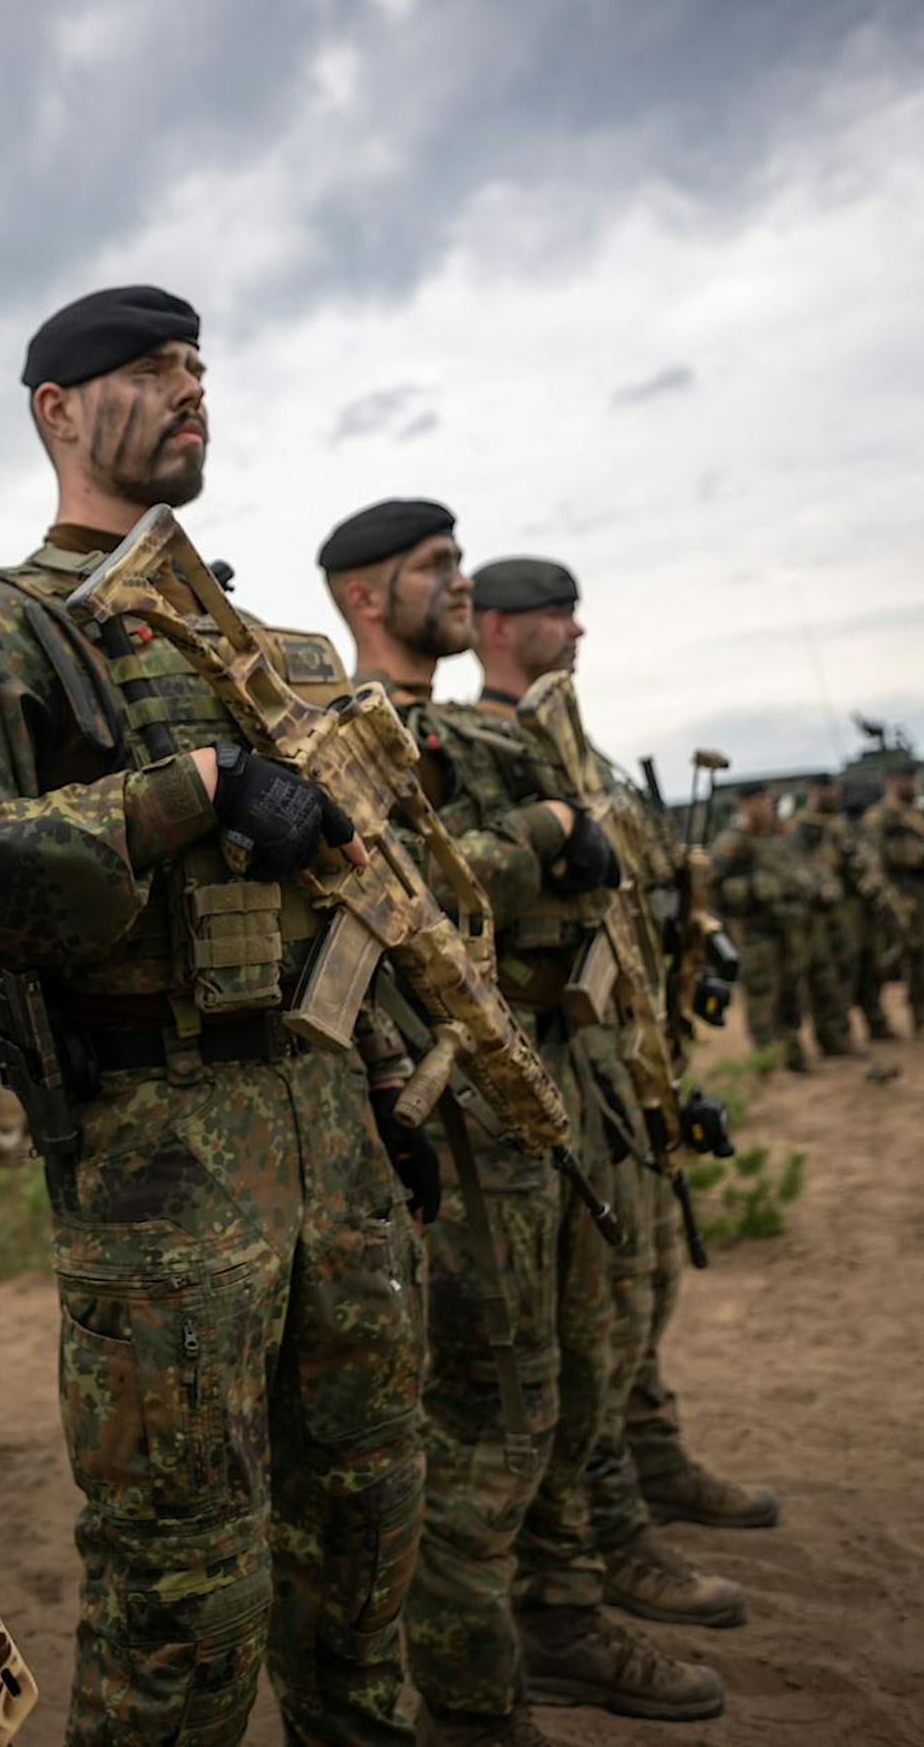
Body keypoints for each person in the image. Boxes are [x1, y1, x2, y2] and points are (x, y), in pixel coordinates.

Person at [0, 286, 427, 1745]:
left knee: (367, 1525)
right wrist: (180, 795)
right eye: (149, 368)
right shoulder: (6, 628)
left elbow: (359, 905)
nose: (191, 387)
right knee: (182, 1584)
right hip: (163, 1159)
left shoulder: (257, 649)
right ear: (55, 411)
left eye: (199, 365)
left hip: (334, 1129)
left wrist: (397, 1094)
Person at [325, 513, 721, 1742]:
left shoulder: (473, 730)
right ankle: (468, 1687)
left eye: (458, 563)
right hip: (456, 1102)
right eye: (436, 566)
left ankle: (556, 1610)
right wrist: (543, 836)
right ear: (363, 592)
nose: (458, 581)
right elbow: (398, 883)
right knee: (489, 1403)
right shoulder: (356, 732)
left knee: (564, 1374)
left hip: (549, 1074)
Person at [467, 558, 771, 1631]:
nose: (577, 628)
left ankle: (645, 1462)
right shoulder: (485, 749)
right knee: (586, 1315)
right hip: (552, 1055)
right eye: (556, 613)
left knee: (641, 1282)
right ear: (500, 626)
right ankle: (598, 1532)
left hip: (623, 1048)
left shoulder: (579, 752)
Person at [709, 783, 815, 1071]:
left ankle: (793, 1052)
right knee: (761, 993)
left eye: (766, 800)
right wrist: (751, 889)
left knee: (792, 990)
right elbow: (712, 889)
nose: (764, 806)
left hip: (790, 928)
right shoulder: (732, 843)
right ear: (743, 805)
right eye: (756, 801)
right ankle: (767, 1060)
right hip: (756, 930)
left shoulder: (781, 837)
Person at [788, 777, 863, 1056]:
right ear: (811, 791)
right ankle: (829, 1035)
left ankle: (841, 1032)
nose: (829, 794)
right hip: (812, 913)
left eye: (831, 789)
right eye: (822, 789)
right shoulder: (801, 827)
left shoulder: (839, 825)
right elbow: (794, 865)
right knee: (823, 975)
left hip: (840, 908)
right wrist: (815, 888)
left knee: (845, 967)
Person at [861, 761, 924, 1034]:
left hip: (919, 892)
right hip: (901, 896)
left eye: (911, 778)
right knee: (913, 956)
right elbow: (872, 863)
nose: (909, 783)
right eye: (903, 778)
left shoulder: (916, 813)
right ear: (889, 780)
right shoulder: (880, 817)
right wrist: (890, 900)